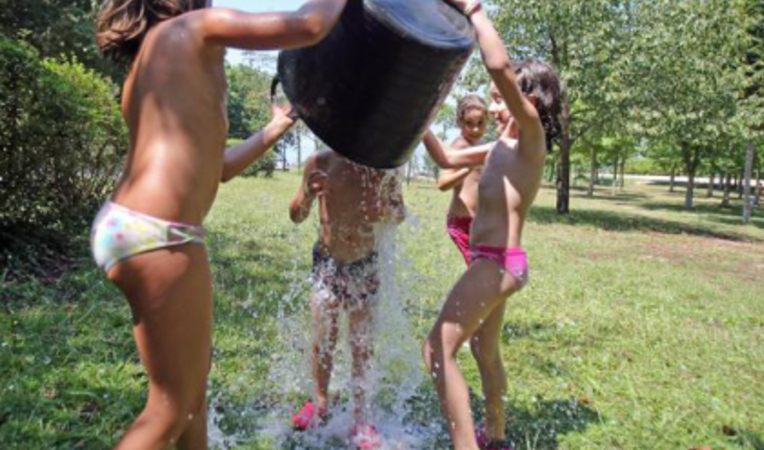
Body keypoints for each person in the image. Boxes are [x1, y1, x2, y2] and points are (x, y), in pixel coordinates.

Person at [91, 1, 349, 448]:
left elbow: (220, 168)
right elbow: (311, 24)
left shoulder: (147, 65)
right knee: (170, 408)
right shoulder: (197, 26)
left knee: (192, 398)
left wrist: (278, 126)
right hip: (160, 233)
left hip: (129, 225)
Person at [421, 1, 564, 449]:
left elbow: (499, 66)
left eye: (501, 99)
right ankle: (496, 438)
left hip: (497, 262)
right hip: (494, 260)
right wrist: (415, 113)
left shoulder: (531, 140)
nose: (495, 107)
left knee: (436, 350)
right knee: (484, 350)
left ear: (529, 102)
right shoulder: (500, 146)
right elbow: (446, 159)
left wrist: (474, 10)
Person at [288, 149, 405, 449]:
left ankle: (361, 417)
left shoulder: (384, 167)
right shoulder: (320, 163)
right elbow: (296, 216)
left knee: (361, 345)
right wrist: (307, 194)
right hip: (327, 264)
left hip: (365, 266)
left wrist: (389, 208)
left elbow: (400, 214)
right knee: (323, 338)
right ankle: (319, 402)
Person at [438, 94, 489, 265]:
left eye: (480, 123)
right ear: (459, 122)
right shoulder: (459, 146)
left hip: (480, 221)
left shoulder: (483, 144)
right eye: (469, 123)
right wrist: (468, 169)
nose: (475, 129)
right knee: (478, 269)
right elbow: (443, 184)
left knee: (489, 267)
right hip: (462, 221)